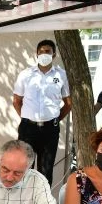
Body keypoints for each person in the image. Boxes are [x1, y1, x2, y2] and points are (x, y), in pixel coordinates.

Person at [13, 39, 72, 185]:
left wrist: (55, 119)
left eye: (48, 51)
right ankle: (23, 199)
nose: (44, 54)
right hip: (28, 129)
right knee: (24, 168)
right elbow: (16, 101)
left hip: (50, 130)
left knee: (45, 171)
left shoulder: (61, 75)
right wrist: (27, 118)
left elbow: (68, 104)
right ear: (36, 54)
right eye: (41, 51)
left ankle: (42, 199)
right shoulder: (26, 74)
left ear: (54, 54)